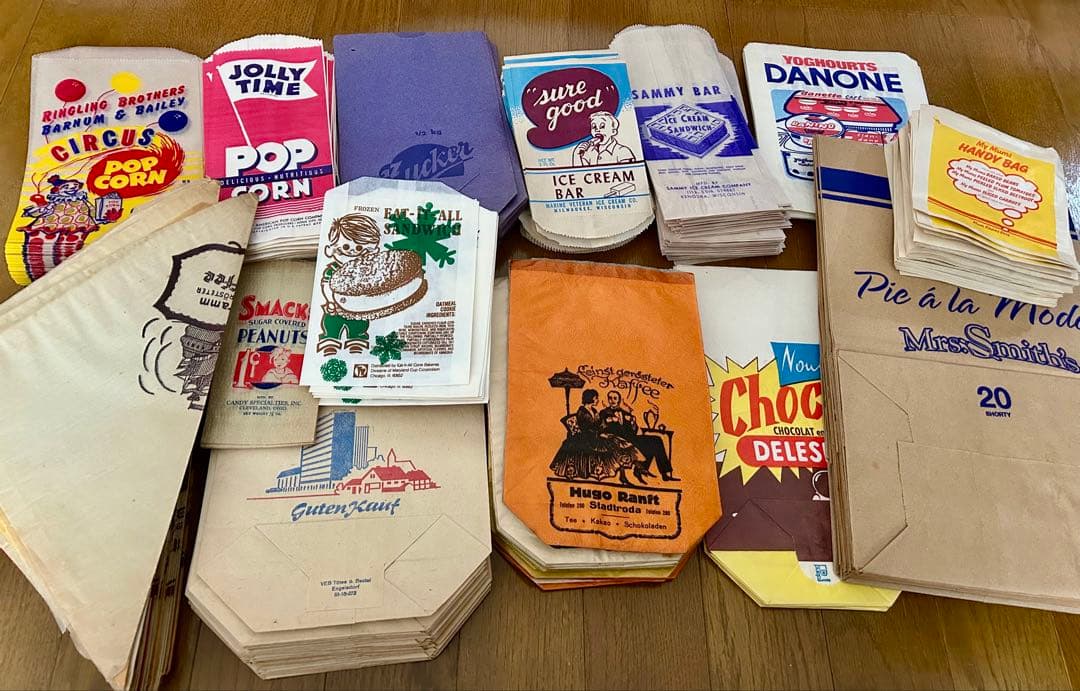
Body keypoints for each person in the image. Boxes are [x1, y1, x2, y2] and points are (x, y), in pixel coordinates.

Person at [549, 389, 644, 485]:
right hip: (589, 439)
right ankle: (624, 474)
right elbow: (587, 429)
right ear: (591, 399)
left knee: (619, 441)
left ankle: (632, 470)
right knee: (614, 444)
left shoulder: (594, 410)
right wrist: (600, 432)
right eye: (596, 398)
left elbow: (600, 424)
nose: (597, 400)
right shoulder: (582, 412)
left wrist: (608, 422)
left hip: (597, 436)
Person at [317, 213, 381, 355]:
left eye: (359, 248)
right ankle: (330, 343)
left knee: (359, 326)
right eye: (346, 246)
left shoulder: (366, 271)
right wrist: (330, 301)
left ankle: (357, 344)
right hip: (335, 307)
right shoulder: (333, 269)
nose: (352, 251)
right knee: (331, 325)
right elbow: (326, 285)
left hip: (358, 309)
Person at [600, 391, 679, 483]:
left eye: (615, 398)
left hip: (631, 438)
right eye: (610, 398)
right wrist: (610, 420)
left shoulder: (624, 413)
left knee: (657, 440)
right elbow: (601, 426)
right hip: (618, 440)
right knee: (650, 447)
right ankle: (641, 469)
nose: (612, 400)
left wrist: (633, 423)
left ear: (619, 400)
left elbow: (632, 430)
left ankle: (664, 473)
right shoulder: (604, 413)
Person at [571, 111, 635, 166]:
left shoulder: (623, 151)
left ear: (613, 131)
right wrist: (577, 154)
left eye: (602, 126)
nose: (597, 130)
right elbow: (579, 174)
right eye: (594, 127)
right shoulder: (588, 152)